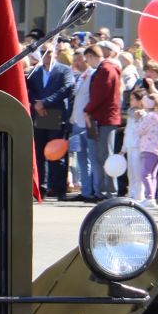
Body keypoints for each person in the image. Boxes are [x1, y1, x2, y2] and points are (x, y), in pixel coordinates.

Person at [27, 46, 75, 200]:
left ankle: (59, 188)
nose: (46, 56)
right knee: (40, 153)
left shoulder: (64, 70)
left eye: (49, 52)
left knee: (56, 154)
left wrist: (45, 103)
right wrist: (36, 104)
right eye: (43, 53)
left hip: (56, 114)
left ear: (56, 53)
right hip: (39, 116)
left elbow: (67, 88)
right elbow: (29, 89)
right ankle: (41, 187)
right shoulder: (36, 72)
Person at [87, 40, 123, 197]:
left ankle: (110, 191)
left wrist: (87, 110)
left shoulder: (106, 69)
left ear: (91, 56)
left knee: (105, 155)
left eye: (87, 59)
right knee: (102, 155)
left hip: (105, 118)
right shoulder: (105, 69)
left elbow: (100, 94)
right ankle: (104, 190)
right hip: (102, 117)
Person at [123, 84, 158, 203]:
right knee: (150, 175)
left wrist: (137, 120)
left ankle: (148, 197)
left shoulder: (150, 116)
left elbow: (139, 130)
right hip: (155, 149)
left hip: (149, 149)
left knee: (145, 174)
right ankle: (150, 196)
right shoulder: (157, 115)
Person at [67, 47, 97, 201]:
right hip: (76, 122)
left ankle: (91, 189)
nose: (77, 63)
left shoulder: (92, 74)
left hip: (87, 122)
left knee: (90, 157)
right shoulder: (79, 77)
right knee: (80, 157)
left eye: (79, 59)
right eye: (75, 60)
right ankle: (85, 190)